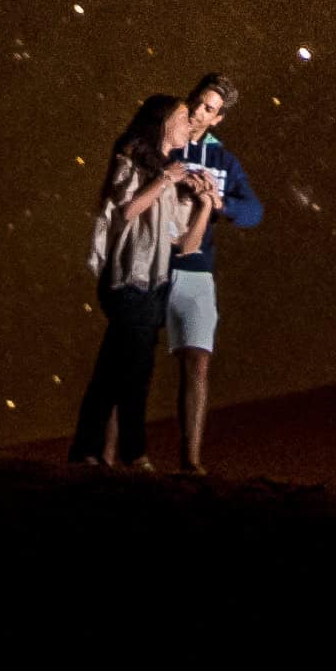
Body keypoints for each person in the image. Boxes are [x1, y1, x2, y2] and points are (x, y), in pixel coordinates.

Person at [69, 92, 211, 468]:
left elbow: (184, 244)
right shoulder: (132, 160)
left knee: (114, 368)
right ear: (163, 123)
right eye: (183, 119)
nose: (190, 125)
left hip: (154, 285)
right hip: (127, 278)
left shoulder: (177, 173)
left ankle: (86, 450)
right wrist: (164, 179)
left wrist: (205, 205)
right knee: (136, 369)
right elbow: (126, 210)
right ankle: (135, 454)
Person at [153, 70, 265, 474]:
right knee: (133, 355)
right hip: (152, 263)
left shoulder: (223, 159)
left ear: (219, 118)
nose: (201, 112)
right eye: (199, 102)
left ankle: (191, 460)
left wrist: (220, 205)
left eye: (211, 109)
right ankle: (111, 455)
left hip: (197, 267)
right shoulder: (163, 140)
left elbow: (254, 211)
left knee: (198, 360)